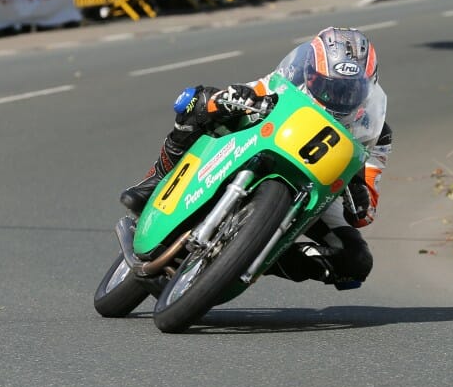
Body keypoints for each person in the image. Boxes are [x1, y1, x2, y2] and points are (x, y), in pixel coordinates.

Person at [119, 27, 392, 288]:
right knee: (197, 103)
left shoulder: (375, 133)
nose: (338, 97)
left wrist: (358, 192)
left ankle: (248, 257)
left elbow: (365, 213)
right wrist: (228, 99)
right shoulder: (290, 82)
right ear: (310, 75)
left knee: (357, 261)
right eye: (328, 86)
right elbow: (241, 93)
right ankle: (155, 179)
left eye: (350, 90)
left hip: (316, 187)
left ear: (369, 86)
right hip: (261, 143)